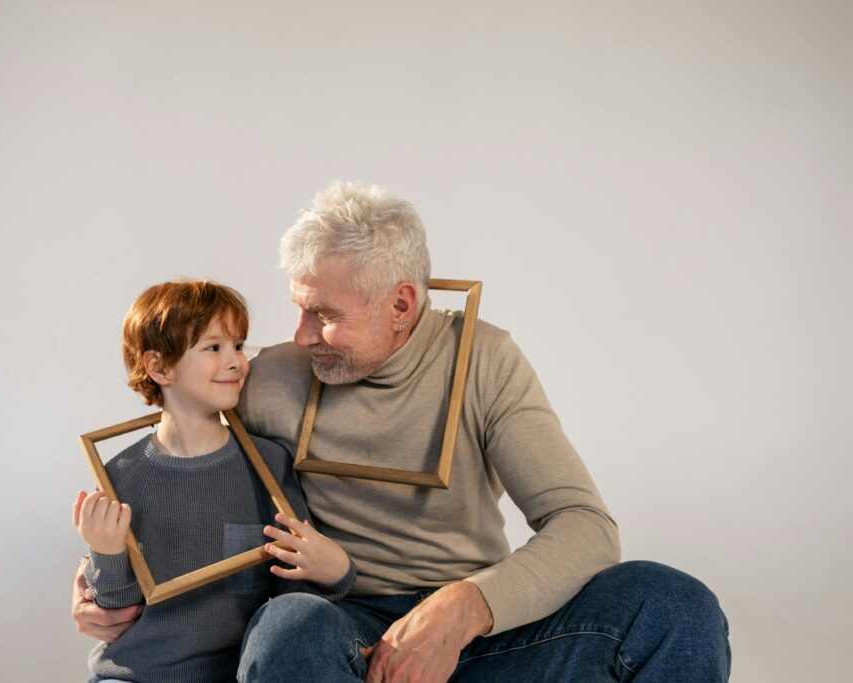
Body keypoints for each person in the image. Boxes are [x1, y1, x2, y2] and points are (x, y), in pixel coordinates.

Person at [74, 184, 731, 682]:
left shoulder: (485, 359)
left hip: (485, 630)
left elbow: (585, 525)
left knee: (674, 604)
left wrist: (467, 606)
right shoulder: (272, 377)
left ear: (400, 305)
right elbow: (177, 454)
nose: (299, 336)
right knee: (287, 626)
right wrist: (102, 573)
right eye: (299, 307)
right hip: (344, 632)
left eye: (323, 313)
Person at [73, 279, 355, 683]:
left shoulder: (269, 464)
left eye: (238, 346)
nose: (237, 361)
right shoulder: (121, 476)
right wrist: (105, 551)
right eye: (214, 347)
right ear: (159, 367)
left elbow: (297, 595)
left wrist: (337, 573)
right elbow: (117, 608)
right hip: (136, 675)